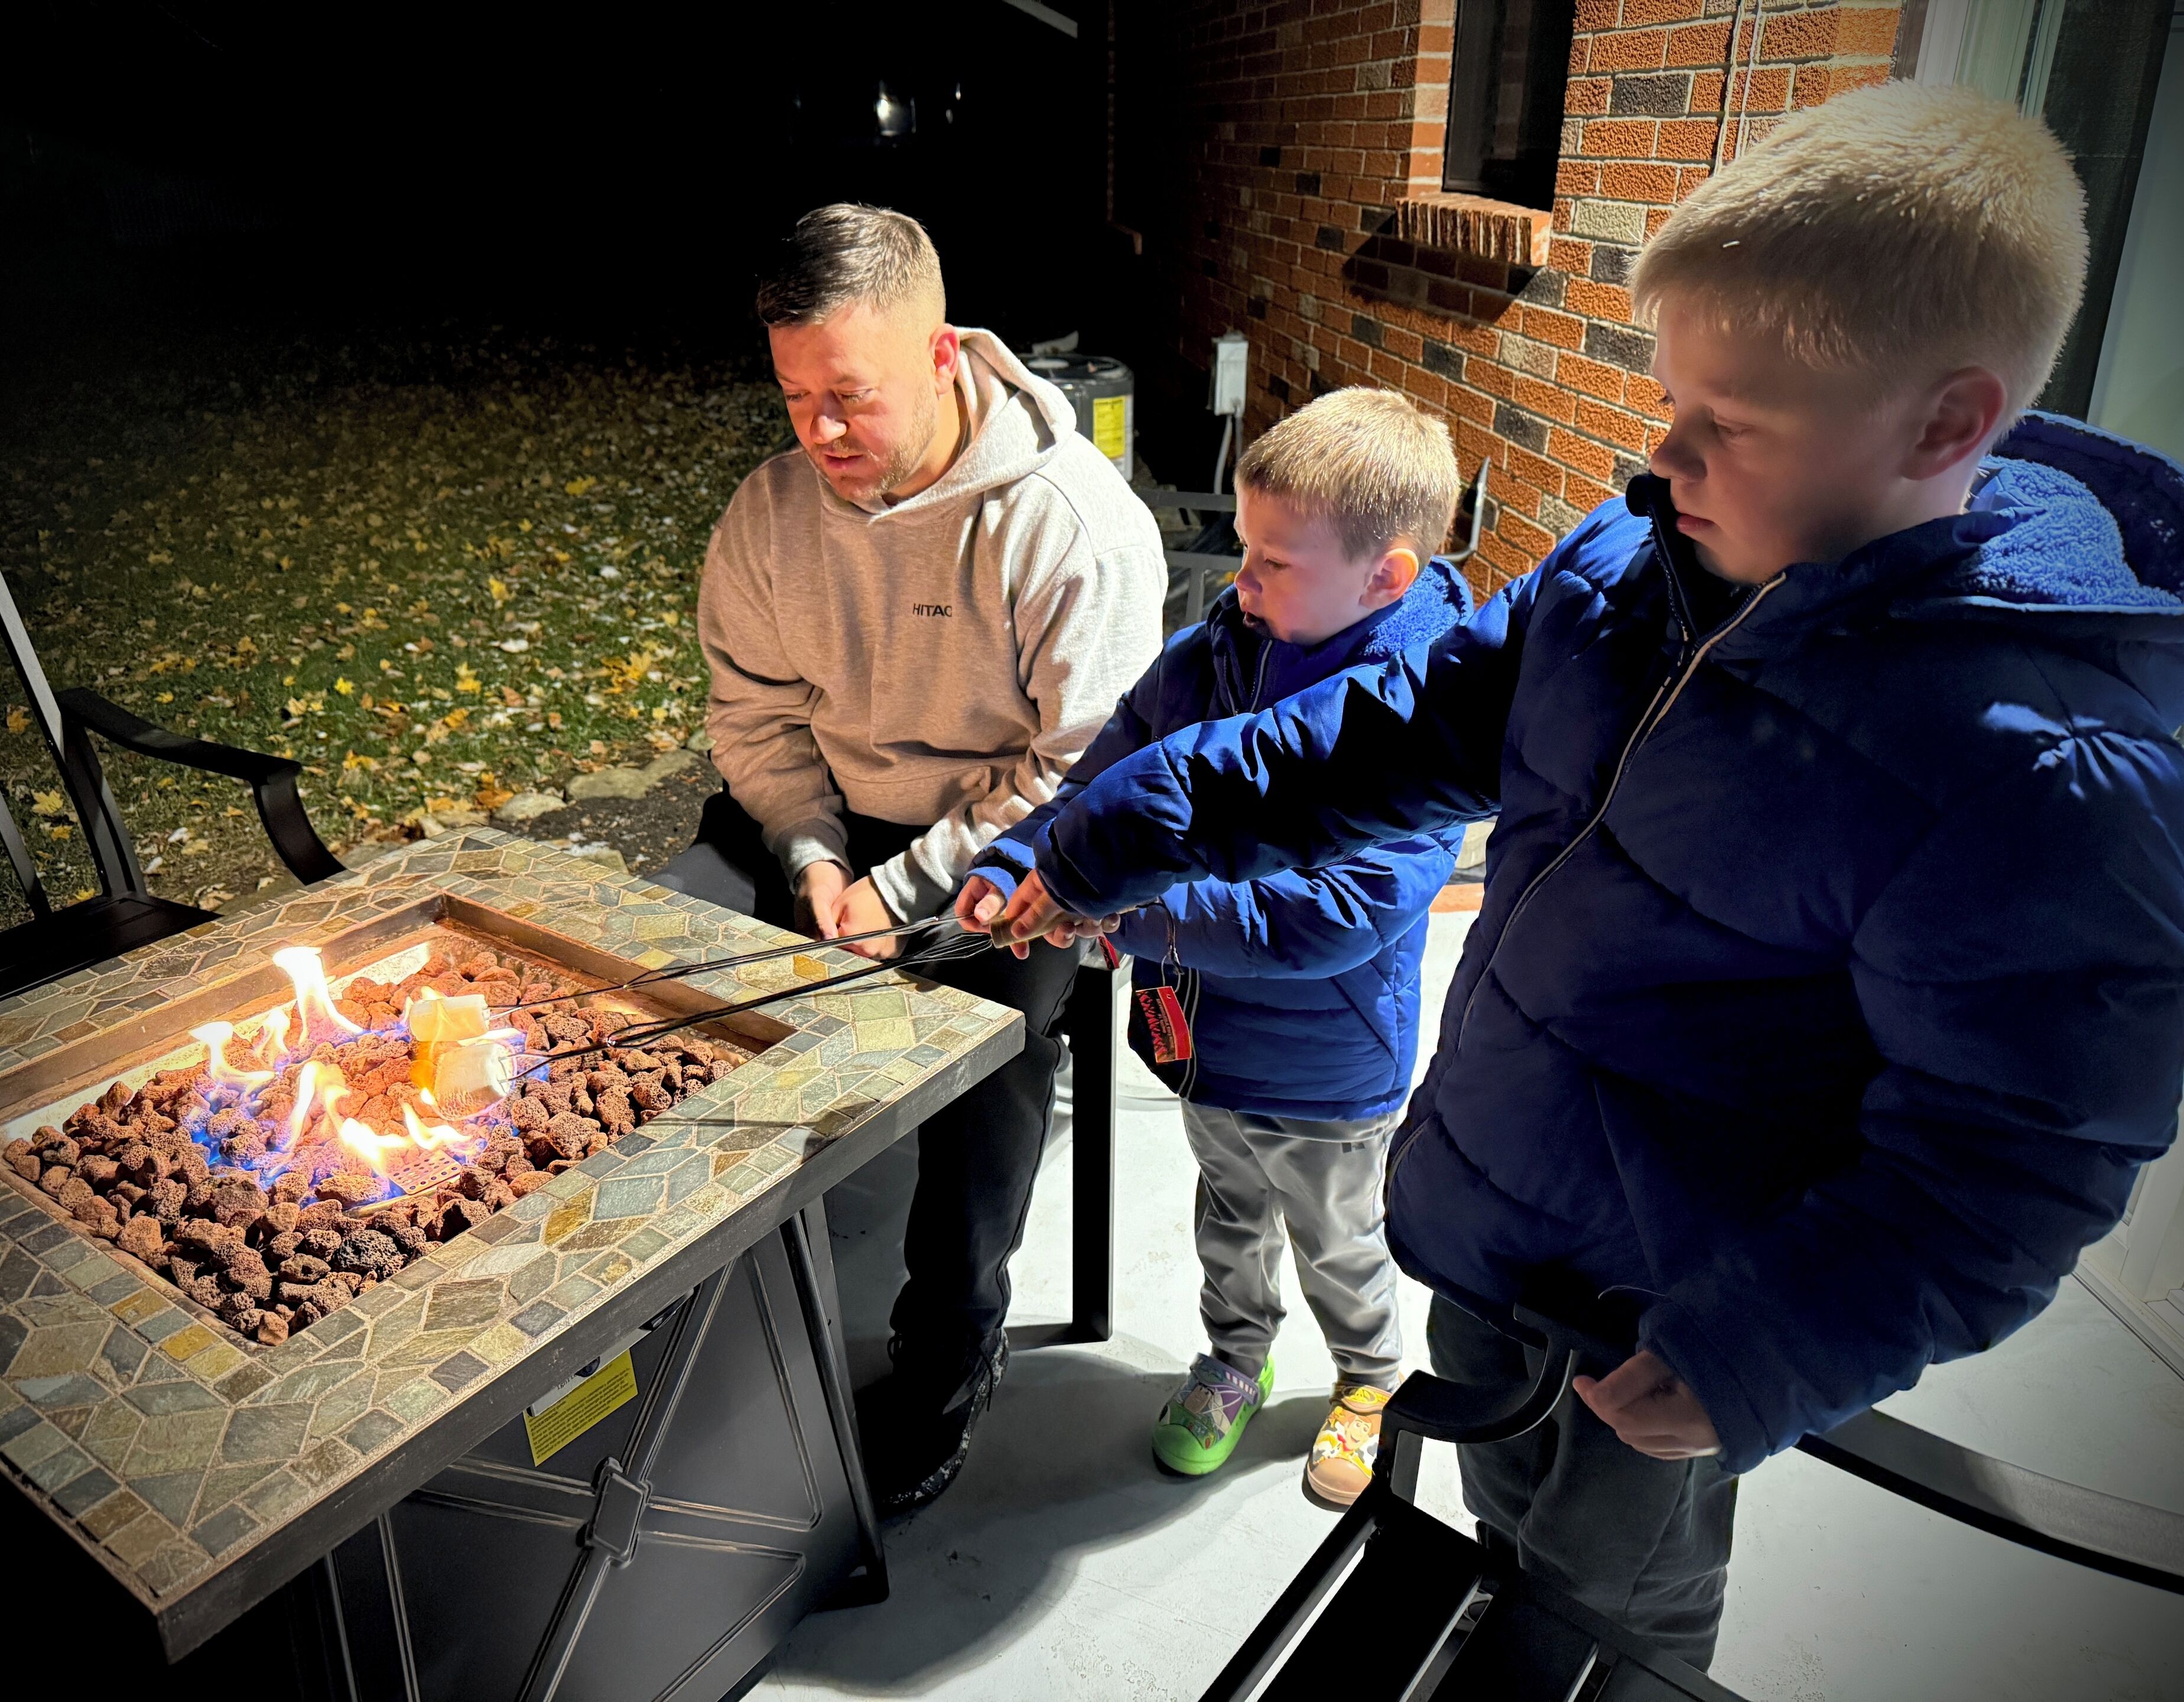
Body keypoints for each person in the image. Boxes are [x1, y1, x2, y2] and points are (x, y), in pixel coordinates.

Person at [984, 82, 2184, 1667]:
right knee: (1506, 1538)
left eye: (1727, 423)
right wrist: (1107, 830)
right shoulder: (1630, 567)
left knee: (1615, 1612)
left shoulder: (2046, 776)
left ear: (1947, 423)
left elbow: (2012, 1159)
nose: (1660, 455)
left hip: (1676, 1313)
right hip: (1503, 1213)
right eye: (1670, 397)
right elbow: (1390, 729)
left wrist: (1772, 1350)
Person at [649, 204, 1166, 1513]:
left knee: (990, 1053)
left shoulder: (1070, 524)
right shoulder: (770, 518)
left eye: (850, 398)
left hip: (1017, 847)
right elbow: (754, 718)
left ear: (942, 355)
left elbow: (1078, 769)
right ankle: (683, 1312)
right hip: (825, 821)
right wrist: (818, 860)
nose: (818, 433)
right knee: (654, 968)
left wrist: (903, 889)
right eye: (792, 395)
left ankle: (952, 1350)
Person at [961, 388, 1471, 1504]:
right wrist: (1018, 863)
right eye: (1244, 550)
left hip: (1327, 1068)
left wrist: (1113, 913)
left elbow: (1332, 919)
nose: (1239, 582)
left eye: (1274, 563)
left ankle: (1374, 1378)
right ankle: (1236, 1359)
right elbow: (1106, 779)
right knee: (1229, 1218)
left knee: (1339, 1239)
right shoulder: (1212, 655)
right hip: (1201, 1039)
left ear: (1386, 576)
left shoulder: (1431, 717)